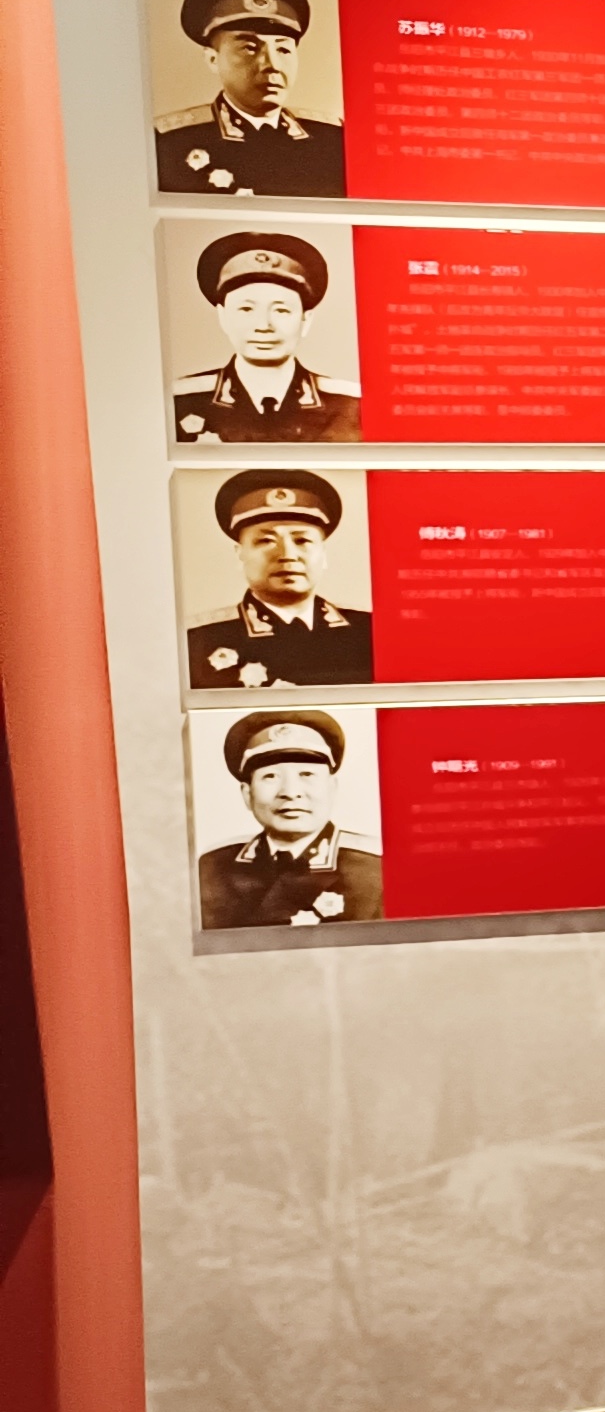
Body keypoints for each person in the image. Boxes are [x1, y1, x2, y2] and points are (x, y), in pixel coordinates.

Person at [155, 0, 346, 197]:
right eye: (250, 48)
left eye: (283, 50)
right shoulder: (170, 141)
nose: (272, 65)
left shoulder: (333, 139)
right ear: (213, 59)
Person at [184, 466, 373, 691]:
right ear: (240, 553)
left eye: (302, 541)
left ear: (323, 554)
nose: (287, 555)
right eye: (266, 541)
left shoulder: (368, 631)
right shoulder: (198, 638)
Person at [195, 709, 383, 929]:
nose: (291, 793)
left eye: (307, 775)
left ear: (331, 788)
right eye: (270, 776)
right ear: (247, 794)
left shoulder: (376, 868)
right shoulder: (213, 867)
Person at [172, 228, 358, 442]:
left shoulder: (349, 405)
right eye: (246, 309)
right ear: (223, 317)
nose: (263, 326)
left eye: (281, 310)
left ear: (306, 320)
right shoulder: (181, 401)